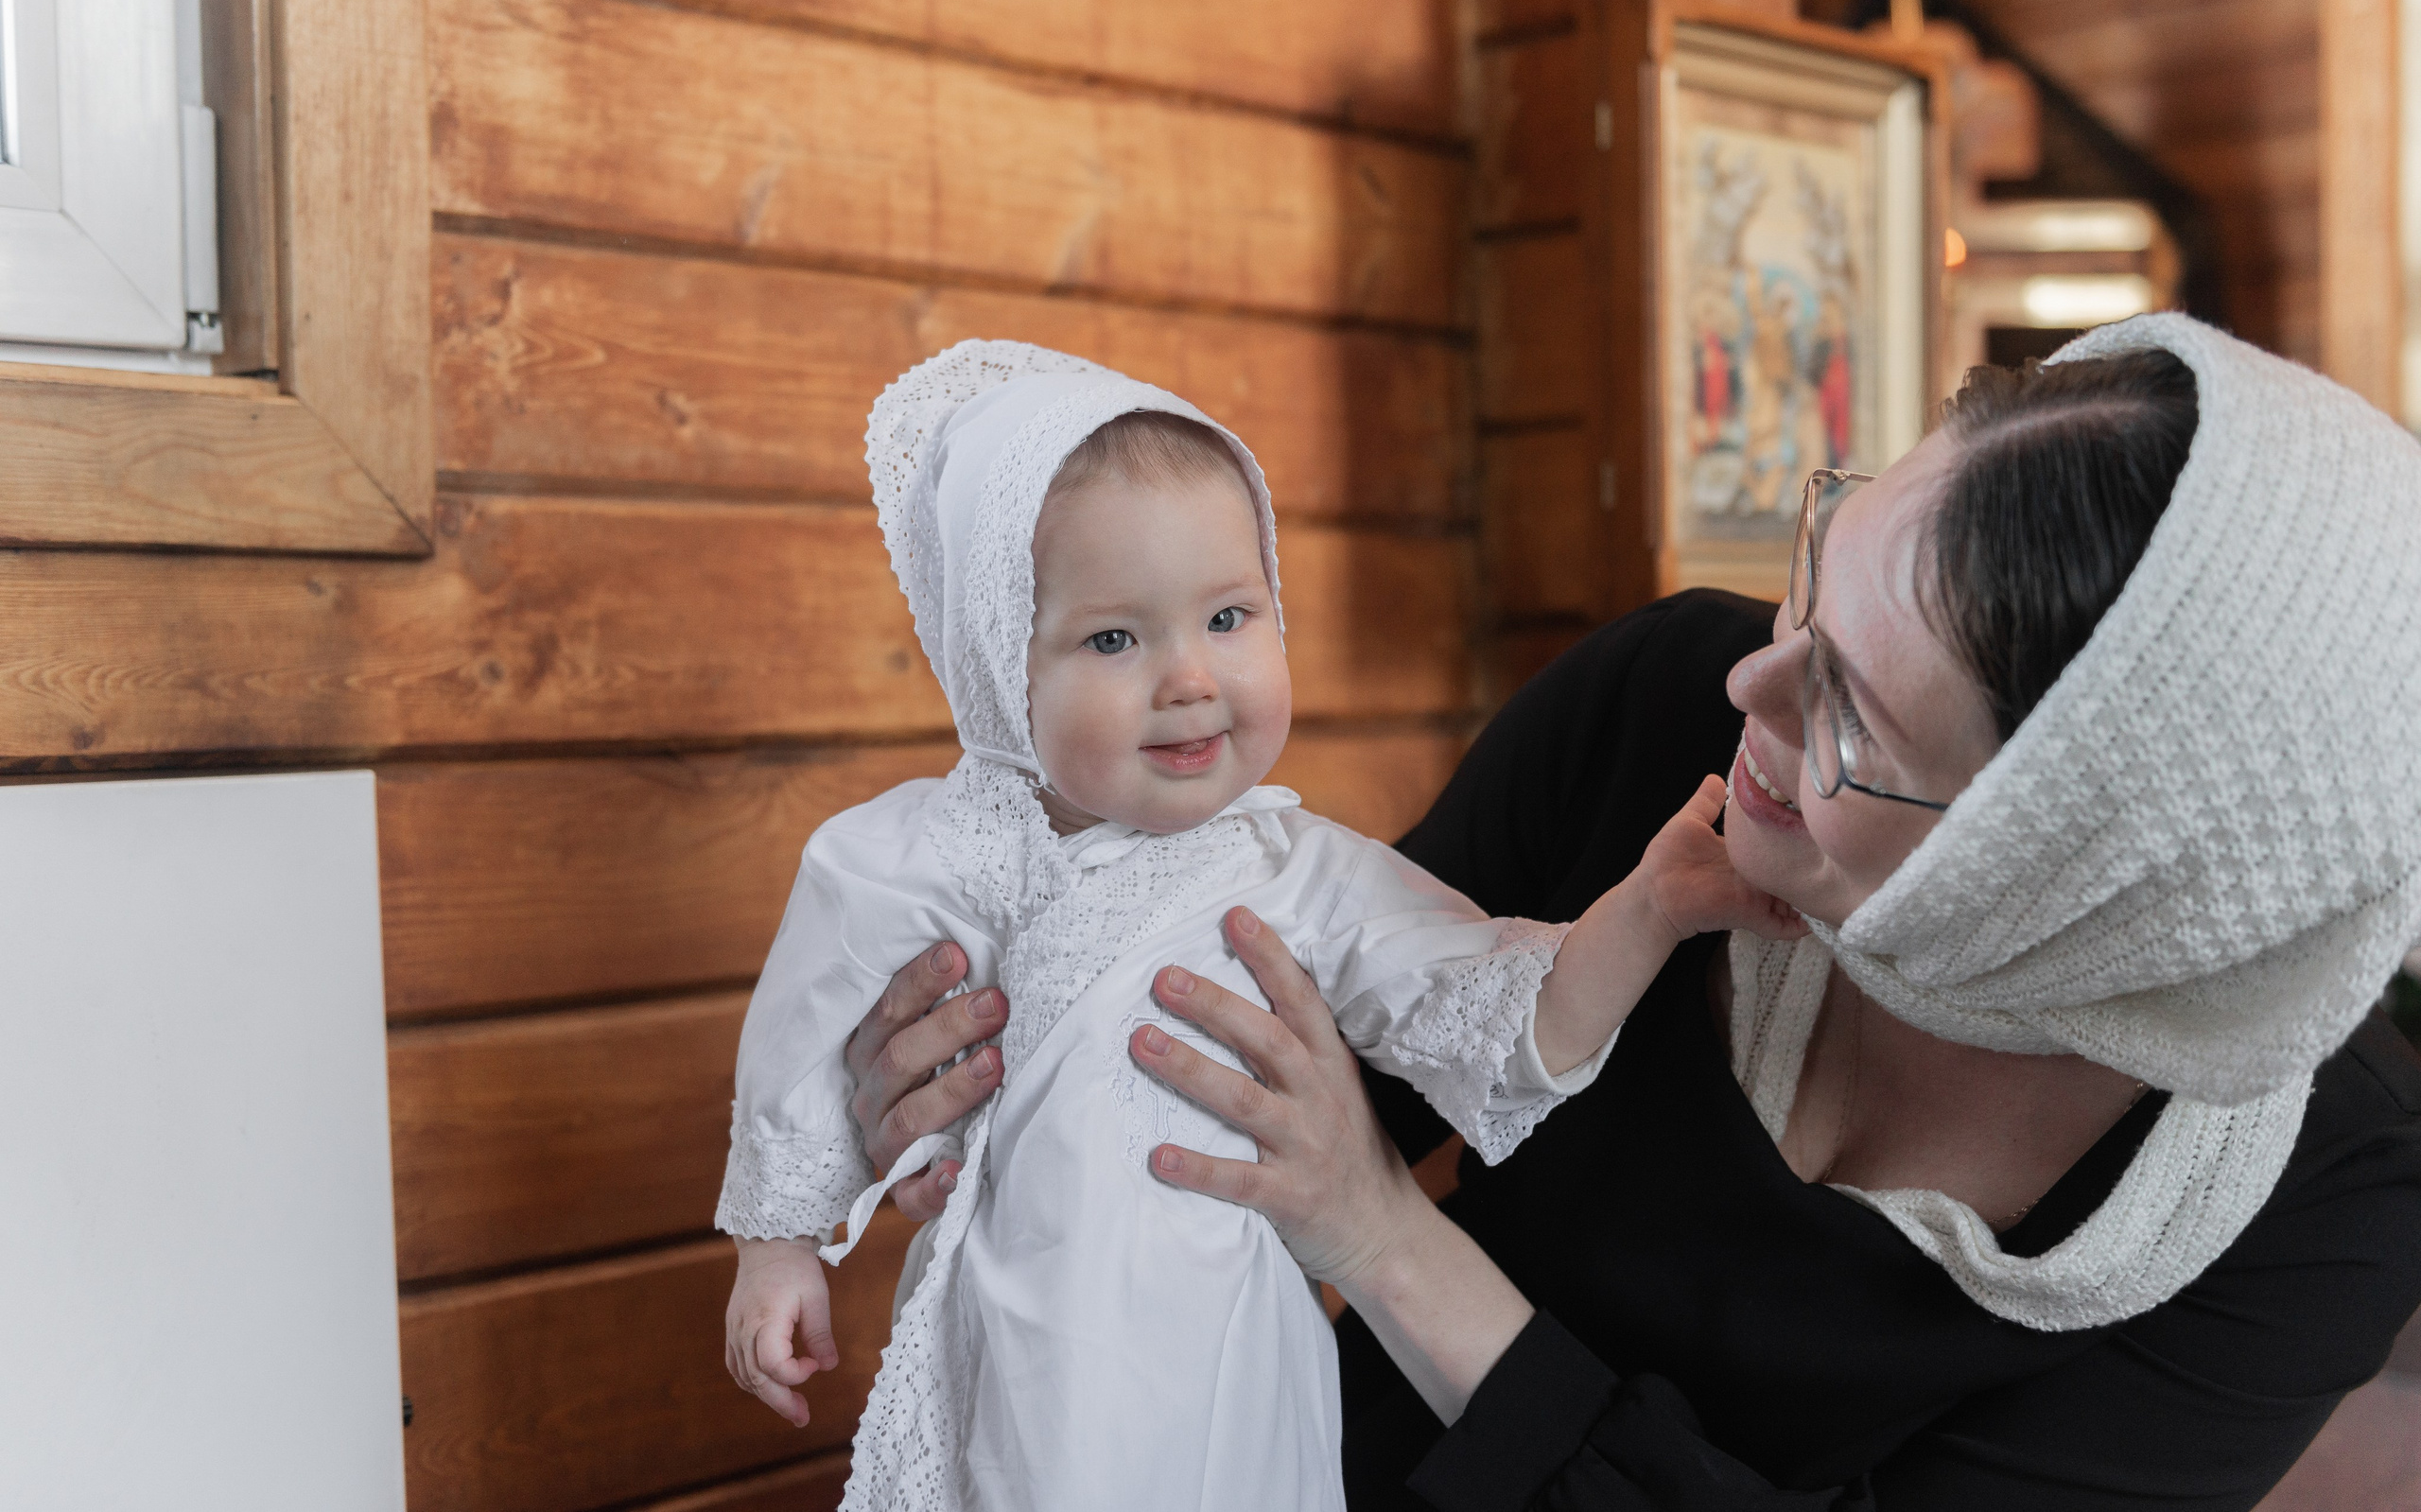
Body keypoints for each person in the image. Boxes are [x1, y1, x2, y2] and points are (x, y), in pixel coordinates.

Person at [846, 314, 2421, 1508]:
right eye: (1824, 565)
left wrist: (1392, 1245)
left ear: (2057, 874)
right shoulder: (1663, 704)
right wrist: (1010, 1077)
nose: (1755, 681)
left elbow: (1350, 1180)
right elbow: (1297, 1072)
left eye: (1852, 711)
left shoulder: (2320, 1199)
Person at [715, 340, 1797, 1512]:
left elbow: (1494, 1009)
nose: (1189, 677)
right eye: (1114, 639)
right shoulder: (930, 852)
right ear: (999, 669)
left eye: (1228, 615)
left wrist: (1648, 906)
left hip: (1222, 1347)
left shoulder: (1300, 875)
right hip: (1016, 1338)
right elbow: (812, 1026)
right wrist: (776, 1247)